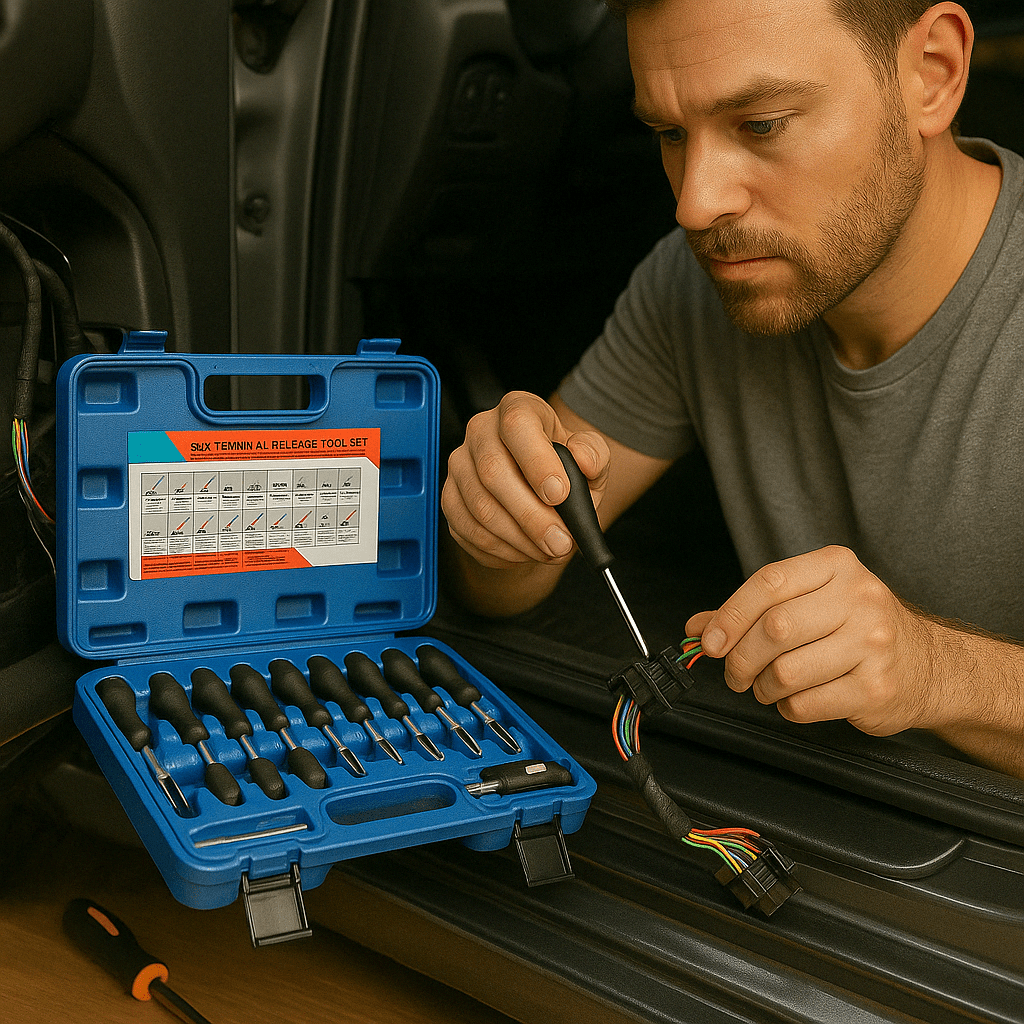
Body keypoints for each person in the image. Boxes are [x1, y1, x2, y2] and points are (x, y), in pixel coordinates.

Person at [441, 0, 1024, 779]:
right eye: (669, 134)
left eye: (761, 124)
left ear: (933, 73)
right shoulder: (695, 288)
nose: (695, 203)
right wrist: (498, 517)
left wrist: (936, 674)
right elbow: (503, 586)